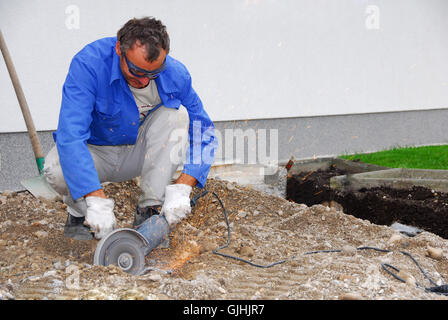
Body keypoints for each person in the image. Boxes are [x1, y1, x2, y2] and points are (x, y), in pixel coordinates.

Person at [43, 17, 217, 240]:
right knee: (55, 170)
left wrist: (184, 185)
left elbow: (204, 131)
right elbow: (71, 136)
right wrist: (94, 197)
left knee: (177, 116)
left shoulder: (175, 74)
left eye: (154, 73)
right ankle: (80, 213)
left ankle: (149, 213)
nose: (144, 80)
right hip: (95, 154)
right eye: (137, 71)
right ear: (119, 49)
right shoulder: (89, 65)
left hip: (138, 152)